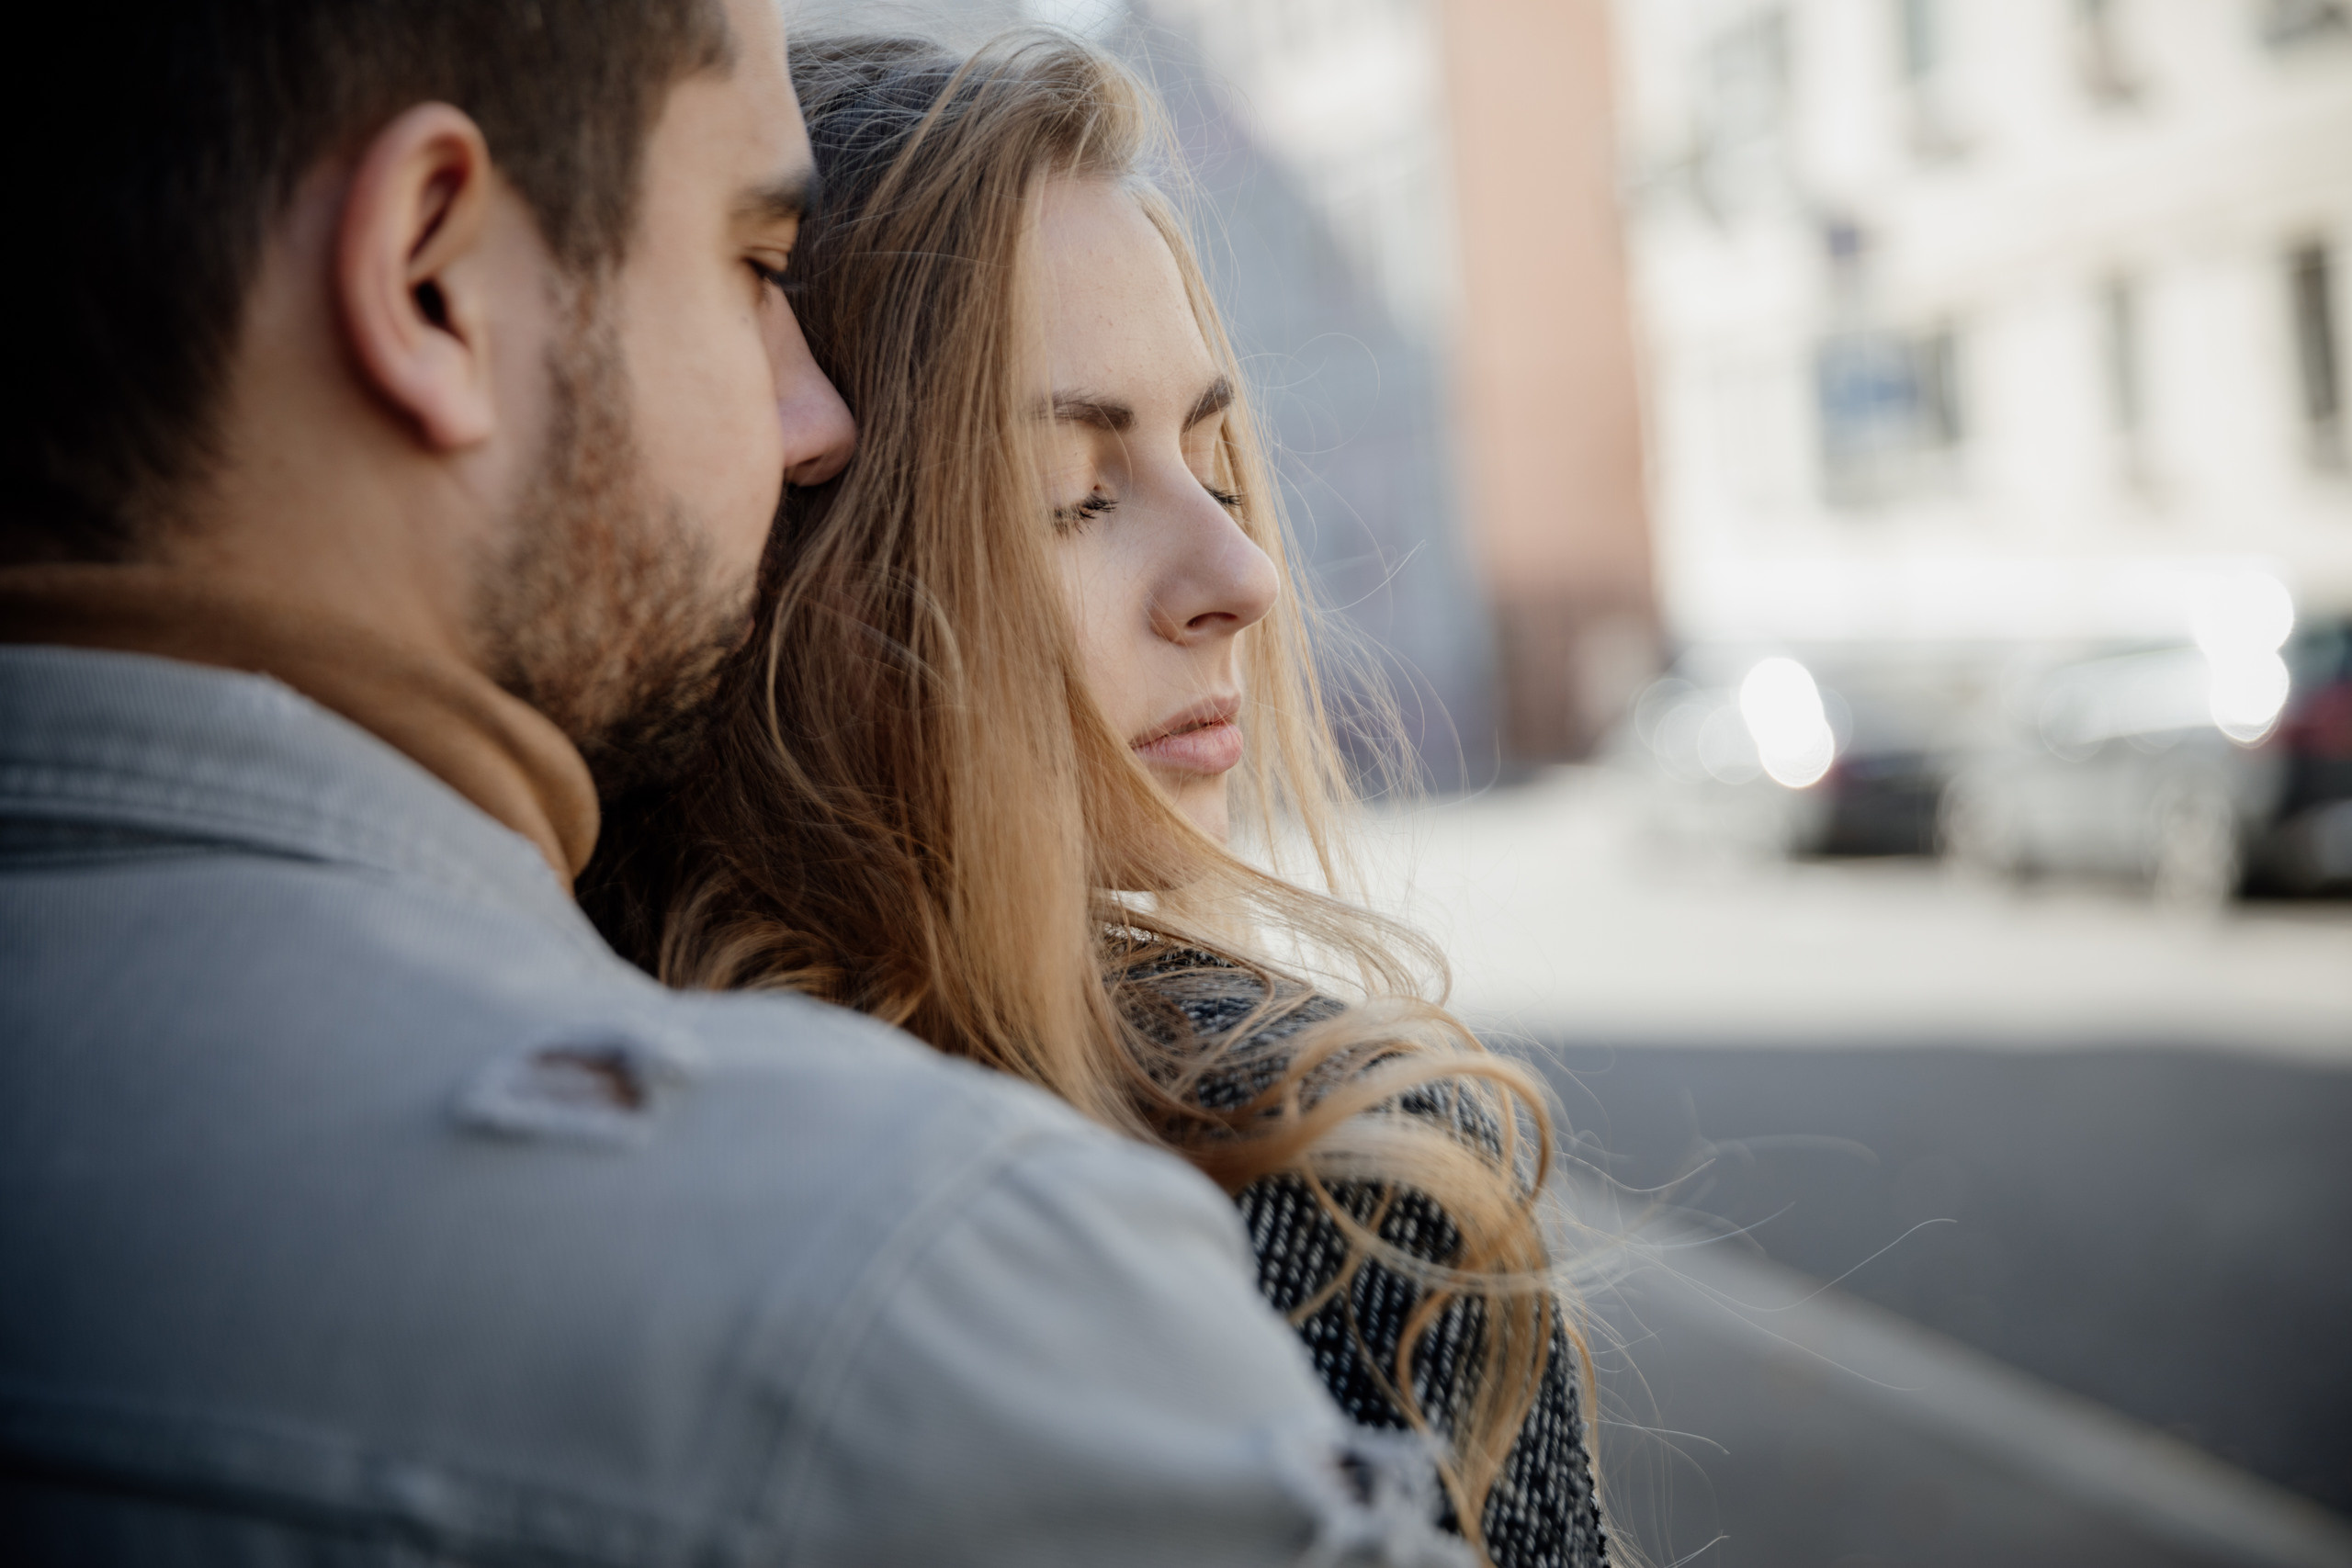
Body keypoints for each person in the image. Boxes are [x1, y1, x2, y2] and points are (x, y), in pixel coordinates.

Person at [0, 5, 1472, 1563]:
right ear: (427, 279)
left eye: (1221, 465)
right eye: (752, 269)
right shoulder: (945, 1289)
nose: (811, 421)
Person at [583, 30, 1611, 1568]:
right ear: (788, 555)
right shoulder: (1321, 1199)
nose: (1242, 578)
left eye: (1214, 460)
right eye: (1075, 493)